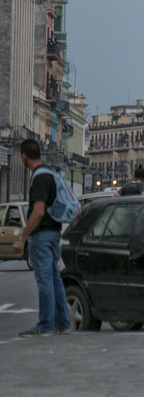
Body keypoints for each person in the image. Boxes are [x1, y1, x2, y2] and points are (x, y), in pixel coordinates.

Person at [17, 140, 70, 336]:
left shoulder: (39, 177)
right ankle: (63, 323)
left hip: (42, 235)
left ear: (24, 156)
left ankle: (46, 325)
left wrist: (22, 236)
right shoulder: (51, 173)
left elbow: (38, 212)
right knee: (55, 279)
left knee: (45, 280)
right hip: (55, 233)